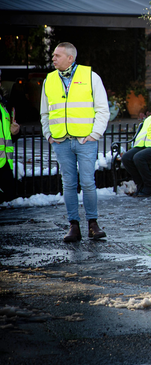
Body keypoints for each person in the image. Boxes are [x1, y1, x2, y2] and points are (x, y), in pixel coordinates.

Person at [40, 42, 110, 242]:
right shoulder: (49, 80)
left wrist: (95, 134)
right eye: (53, 55)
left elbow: (102, 109)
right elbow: (45, 112)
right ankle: (74, 226)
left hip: (85, 140)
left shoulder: (90, 76)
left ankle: (93, 224)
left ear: (70, 58)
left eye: (57, 55)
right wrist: (49, 135)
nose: (53, 58)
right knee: (69, 184)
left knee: (88, 183)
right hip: (61, 141)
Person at [0, 69, 20, 205]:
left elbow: (7, 137)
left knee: (9, 196)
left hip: (5, 164)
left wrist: (15, 132)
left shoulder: (3, 105)